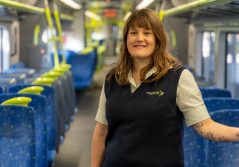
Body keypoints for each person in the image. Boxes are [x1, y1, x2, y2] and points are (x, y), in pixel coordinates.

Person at [91, 8, 239, 167]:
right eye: (133, 33)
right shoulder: (113, 78)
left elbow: (205, 127)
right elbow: (101, 131)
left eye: (147, 33)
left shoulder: (178, 77)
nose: (139, 38)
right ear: (126, 39)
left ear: (157, 39)